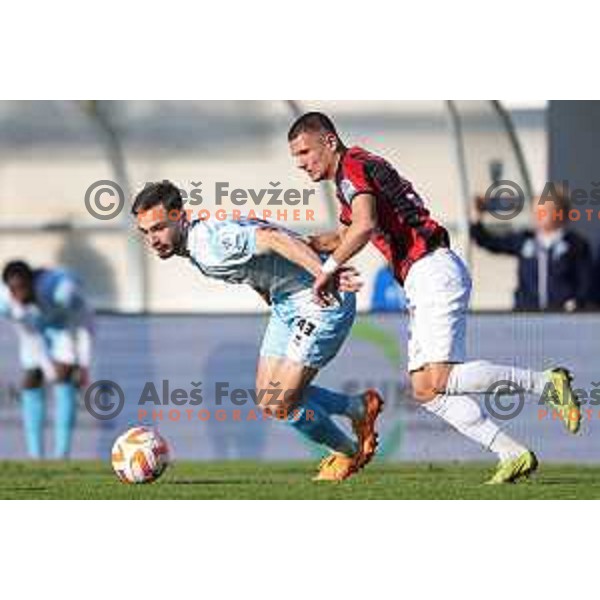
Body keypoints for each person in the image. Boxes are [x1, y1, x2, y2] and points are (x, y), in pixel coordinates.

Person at [289, 111, 581, 484]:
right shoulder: (356, 173)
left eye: (304, 152)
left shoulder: (353, 168)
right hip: (423, 275)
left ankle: (545, 384)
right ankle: (512, 452)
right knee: (426, 389)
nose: (301, 163)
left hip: (431, 269)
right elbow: (346, 233)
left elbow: (361, 228)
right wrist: (299, 244)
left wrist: (327, 271)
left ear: (329, 141)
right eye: (296, 156)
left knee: (439, 379)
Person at [132, 181, 384, 482]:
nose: (152, 240)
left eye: (158, 228)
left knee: (281, 403)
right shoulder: (200, 242)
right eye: (145, 232)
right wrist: (268, 292)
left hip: (320, 299)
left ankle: (347, 452)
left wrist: (323, 273)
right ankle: (358, 407)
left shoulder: (209, 244)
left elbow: (273, 239)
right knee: (269, 397)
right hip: (286, 301)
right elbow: (251, 261)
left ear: (178, 215)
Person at [0, 261, 94, 458]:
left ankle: (62, 455)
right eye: (13, 290)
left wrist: (83, 363)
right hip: (36, 329)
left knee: (63, 376)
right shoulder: (6, 302)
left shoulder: (62, 291)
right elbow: (31, 335)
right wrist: (46, 366)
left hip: (67, 325)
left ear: (32, 282)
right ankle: (35, 457)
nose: (18, 294)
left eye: (22, 288)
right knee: (31, 379)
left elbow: (84, 320)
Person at [471, 186, 593, 311]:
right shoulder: (525, 240)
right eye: (536, 211)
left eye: (544, 211)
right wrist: (477, 216)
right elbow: (490, 242)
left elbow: (586, 281)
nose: (537, 216)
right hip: (527, 313)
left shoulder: (576, 245)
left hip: (562, 314)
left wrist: (576, 303)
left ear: (560, 213)